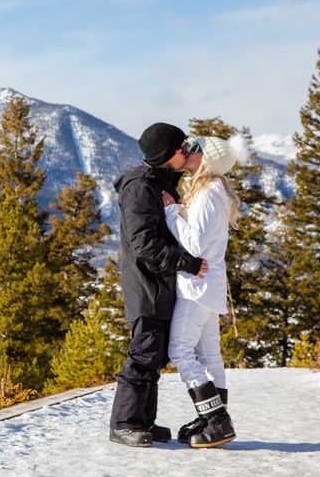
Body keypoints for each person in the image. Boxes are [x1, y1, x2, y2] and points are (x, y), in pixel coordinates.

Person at [109, 122, 207, 447]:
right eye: (183, 147)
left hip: (160, 285)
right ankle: (124, 423)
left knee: (155, 357)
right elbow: (144, 244)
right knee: (143, 353)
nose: (187, 151)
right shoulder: (139, 187)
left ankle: (143, 422)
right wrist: (186, 263)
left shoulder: (161, 184)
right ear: (169, 153)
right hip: (146, 286)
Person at [161, 135, 249, 448]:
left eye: (196, 149)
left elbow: (195, 245)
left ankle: (217, 421)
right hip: (209, 286)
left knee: (181, 352)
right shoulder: (215, 190)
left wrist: (171, 213)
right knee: (210, 354)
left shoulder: (209, 192)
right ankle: (212, 418)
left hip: (197, 287)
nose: (189, 151)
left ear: (208, 159)